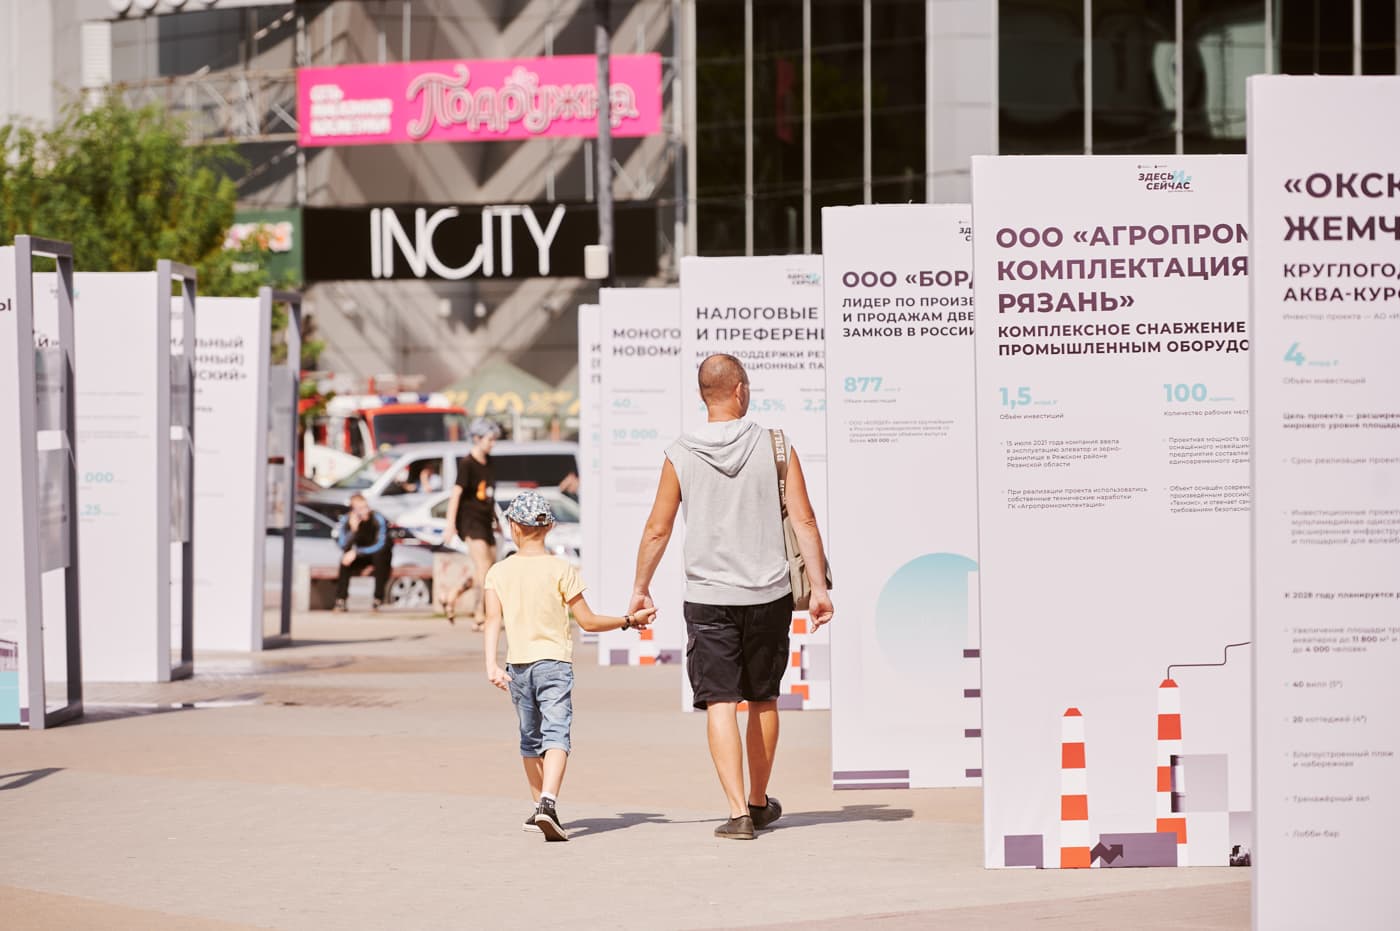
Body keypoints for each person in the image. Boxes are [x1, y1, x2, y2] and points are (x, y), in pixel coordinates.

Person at [630, 353, 833, 840]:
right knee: (763, 698)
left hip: (708, 596)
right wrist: (820, 588)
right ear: (740, 390)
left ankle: (738, 812)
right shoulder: (777, 445)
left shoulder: (679, 453)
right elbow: (804, 520)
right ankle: (760, 801)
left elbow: (657, 529)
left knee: (720, 701)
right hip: (768, 594)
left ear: (704, 395)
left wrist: (640, 588)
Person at [483, 491, 656, 842]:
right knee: (556, 734)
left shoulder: (498, 572)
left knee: (530, 739)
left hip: (517, 666)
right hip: (554, 664)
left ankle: (539, 807)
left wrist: (491, 665)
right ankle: (547, 804)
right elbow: (588, 621)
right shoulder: (562, 569)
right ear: (549, 528)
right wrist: (628, 620)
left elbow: (491, 620)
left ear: (513, 527)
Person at [444, 418, 501, 628]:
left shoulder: (490, 462)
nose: (492, 443)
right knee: (484, 567)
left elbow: (489, 495)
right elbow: (456, 494)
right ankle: (480, 614)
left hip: (486, 521)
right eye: (489, 439)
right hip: (470, 521)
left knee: (488, 570)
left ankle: (454, 593)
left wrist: (497, 520)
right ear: (477, 438)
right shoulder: (467, 464)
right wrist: (450, 524)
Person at [332, 494, 393, 612]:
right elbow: (342, 544)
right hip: (360, 556)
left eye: (366, 507)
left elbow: (381, 544)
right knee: (345, 561)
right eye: (360, 508)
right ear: (353, 510)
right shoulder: (346, 520)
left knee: (381, 558)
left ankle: (377, 599)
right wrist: (353, 530)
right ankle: (341, 599)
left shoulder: (377, 518)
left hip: (377, 554)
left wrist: (358, 552)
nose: (365, 511)